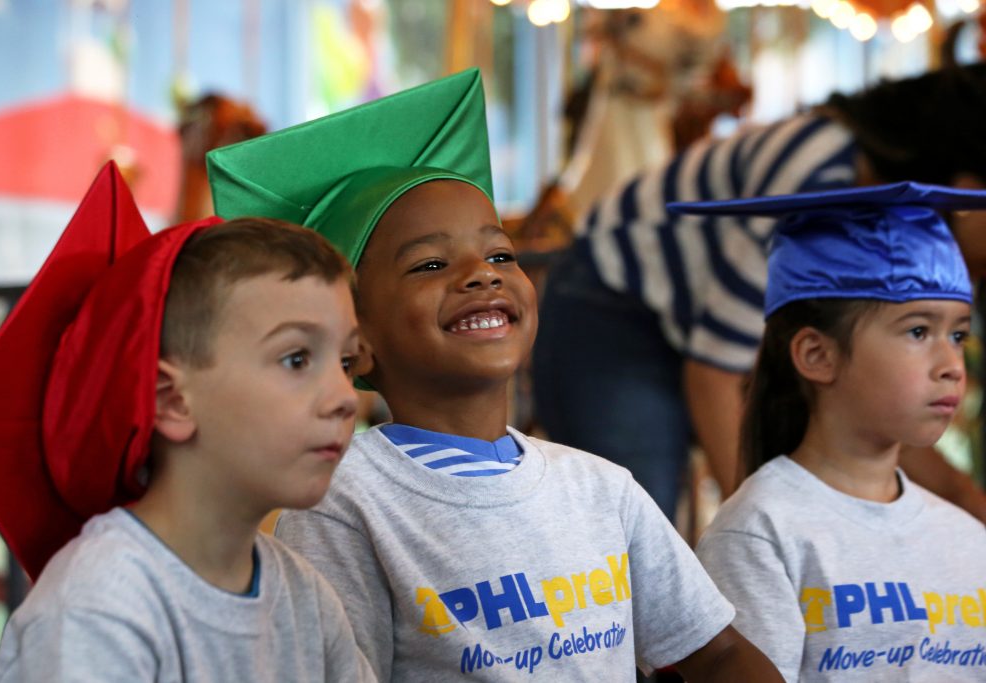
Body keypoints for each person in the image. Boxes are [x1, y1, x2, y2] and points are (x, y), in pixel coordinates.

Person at [207, 68, 783, 682]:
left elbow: (716, 652)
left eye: (500, 254)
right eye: (430, 263)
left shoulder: (602, 490)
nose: (482, 274)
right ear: (358, 343)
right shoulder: (343, 500)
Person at [0, 162, 374, 681]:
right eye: (296, 359)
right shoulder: (97, 607)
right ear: (171, 401)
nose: (343, 397)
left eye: (346, 362)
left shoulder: (305, 599)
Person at [532, 62, 986, 522]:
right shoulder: (817, 166)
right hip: (614, 306)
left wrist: (966, 502)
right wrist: (761, 534)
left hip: (697, 329)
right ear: (968, 187)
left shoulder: (893, 213)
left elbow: (872, 402)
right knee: (640, 525)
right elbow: (714, 372)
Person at [682, 182, 986, 681]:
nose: (952, 363)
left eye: (957, 334)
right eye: (918, 331)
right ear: (817, 355)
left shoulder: (967, 540)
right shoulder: (760, 534)